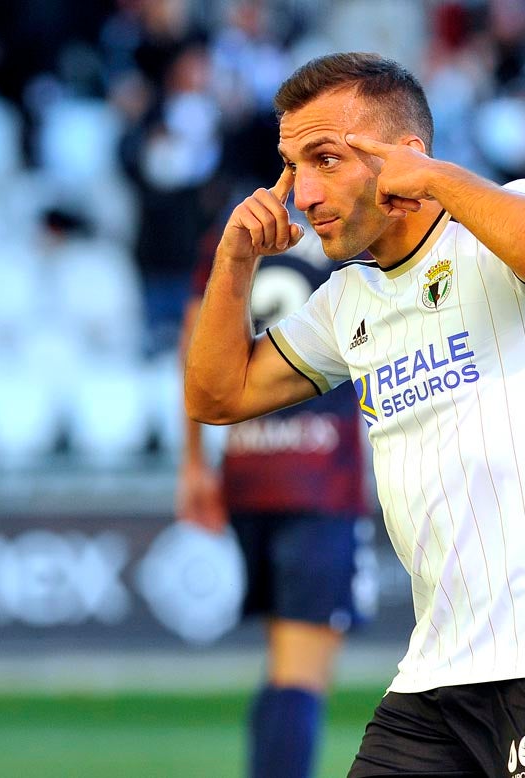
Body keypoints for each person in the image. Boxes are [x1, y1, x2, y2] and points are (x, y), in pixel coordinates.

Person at [183, 52, 525, 778]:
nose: (301, 193)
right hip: (434, 676)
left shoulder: (506, 217)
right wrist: (235, 259)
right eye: (291, 166)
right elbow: (216, 398)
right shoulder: (348, 302)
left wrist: (433, 177)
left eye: (325, 160)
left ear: (402, 154)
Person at [177, 217, 374, 778]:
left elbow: (196, 342)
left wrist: (193, 463)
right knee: (302, 672)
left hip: (247, 467)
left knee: (281, 663)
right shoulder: (351, 233)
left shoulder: (237, 232)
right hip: (321, 478)